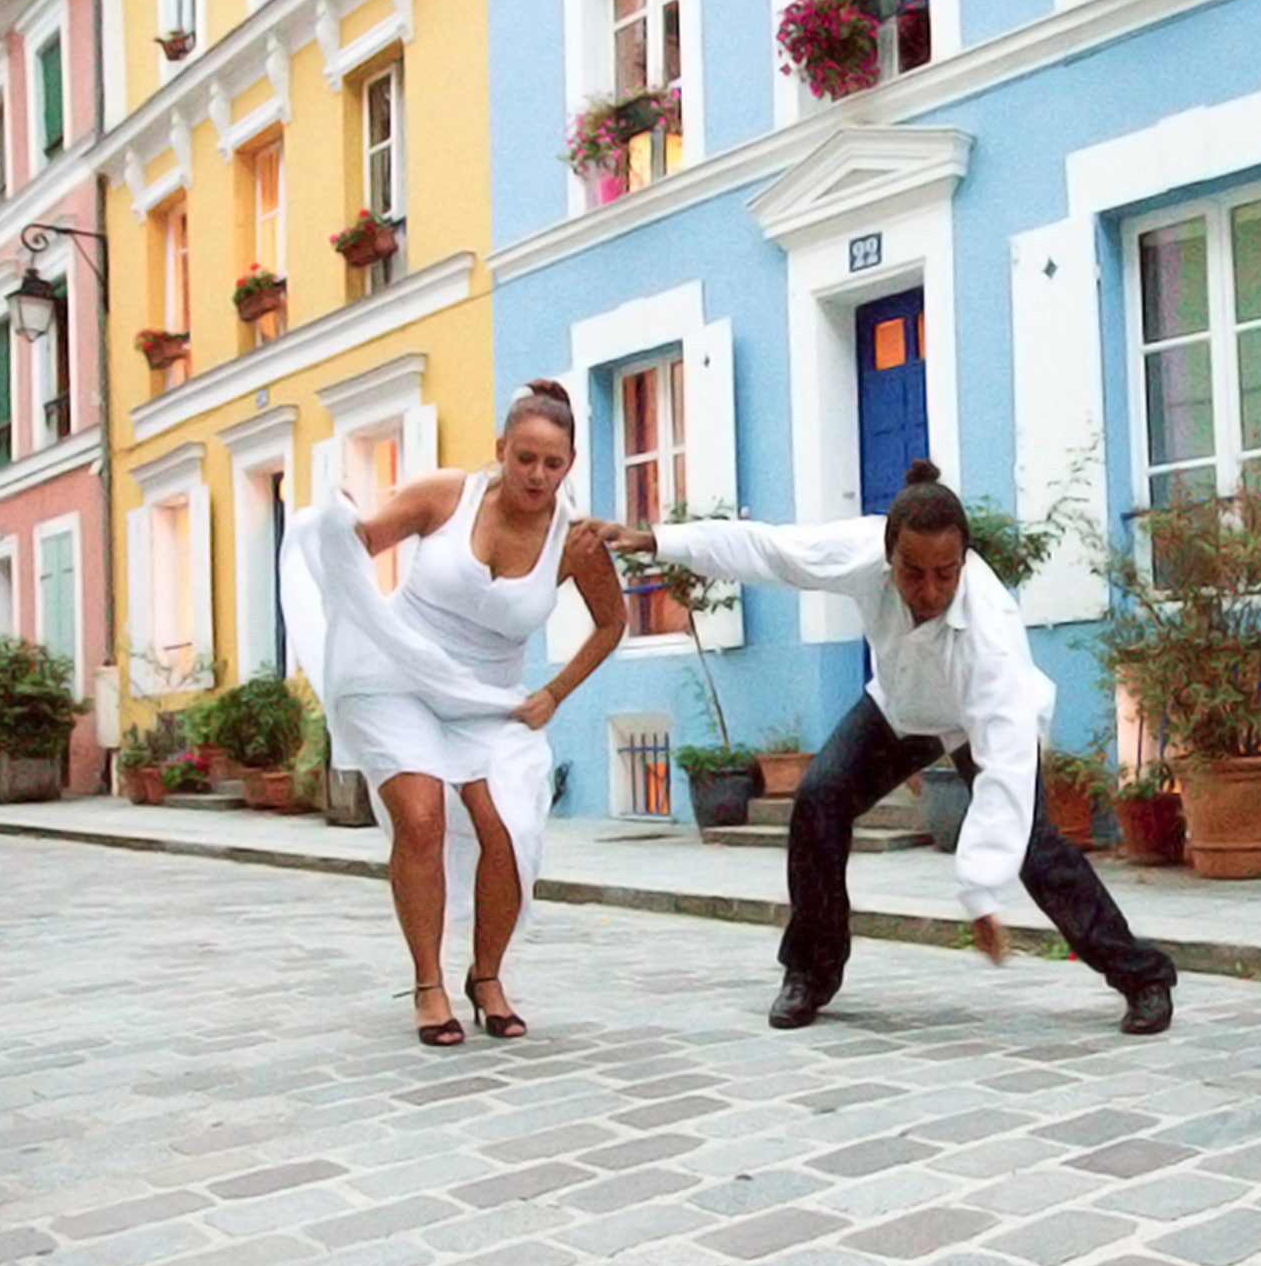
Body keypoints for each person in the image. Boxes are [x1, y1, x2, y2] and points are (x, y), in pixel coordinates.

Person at [589, 460, 1177, 1034]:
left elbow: (1005, 773)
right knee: (818, 798)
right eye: (912, 572)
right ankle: (810, 974)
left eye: (946, 573)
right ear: (887, 552)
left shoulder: (991, 635)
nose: (930, 590)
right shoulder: (862, 552)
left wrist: (978, 892)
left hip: (973, 722)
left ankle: (1143, 978)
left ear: (965, 559)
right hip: (899, 710)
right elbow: (770, 550)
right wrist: (658, 540)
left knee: (1035, 847)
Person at [282, 380, 626, 1046]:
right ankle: (427, 982)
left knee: (508, 827)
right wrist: (341, 519)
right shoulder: (447, 493)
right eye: (524, 456)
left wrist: (554, 692)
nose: (536, 474)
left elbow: (612, 623)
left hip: (487, 698)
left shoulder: (574, 540)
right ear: (500, 448)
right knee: (422, 813)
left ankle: (487, 975)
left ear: (570, 465)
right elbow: (359, 545)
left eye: (552, 463)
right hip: (394, 674)